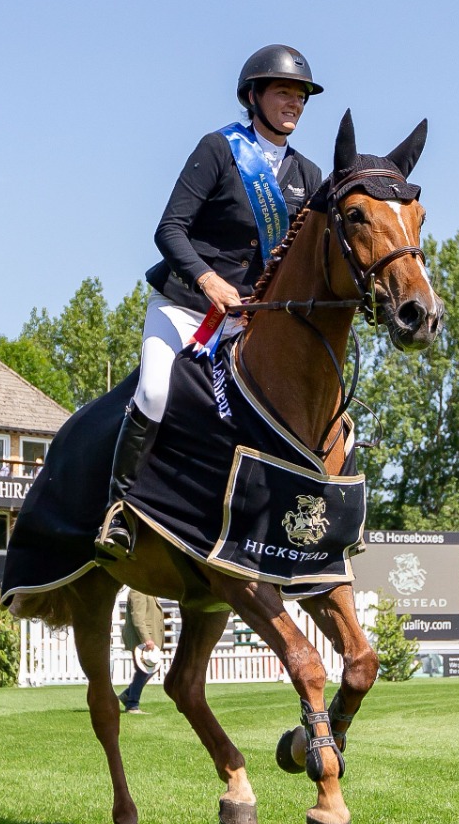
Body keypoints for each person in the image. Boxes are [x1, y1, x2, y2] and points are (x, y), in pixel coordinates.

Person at [95, 45, 326, 560]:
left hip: (248, 322)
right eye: (284, 92)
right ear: (253, 95)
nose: (294, 103)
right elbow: (168, 229)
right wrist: (206, 280)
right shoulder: (219, 150)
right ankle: (120, 509)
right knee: (154, 394)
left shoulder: (307, 176)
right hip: (184, 307)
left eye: (301, 96)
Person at [118, 588, 167, 714]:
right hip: (141, 640)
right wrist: (147, 639)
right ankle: (132, 705)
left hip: (147, 639)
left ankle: (128, 695)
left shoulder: (147, 590)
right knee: (144, 671)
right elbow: (138, 618)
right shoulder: (138, 591)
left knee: (148, 670)